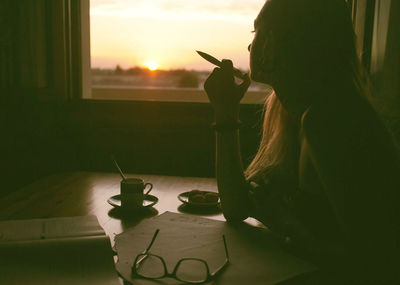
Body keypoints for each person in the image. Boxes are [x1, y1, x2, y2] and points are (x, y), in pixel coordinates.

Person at [204, 0, 400, 283]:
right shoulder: (289, 110)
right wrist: (225, 111)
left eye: (257, 33)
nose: (250, 47)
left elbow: (375, 262)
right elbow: (236, 208)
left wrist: (284, 223)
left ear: (281, 41)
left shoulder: (329, 121)